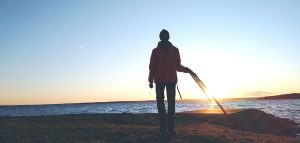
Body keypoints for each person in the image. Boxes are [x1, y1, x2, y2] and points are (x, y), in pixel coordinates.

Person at [148, 29, 193, 134]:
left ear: (168, 37)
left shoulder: (175, 50)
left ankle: (171, 128)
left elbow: (177, 66)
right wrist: (150, 80)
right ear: (160, 37)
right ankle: (163, 127)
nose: (164, 37)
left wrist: (187, 69)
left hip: (172, 81)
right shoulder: (155, 51)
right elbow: (152, 67)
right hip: (159, 81)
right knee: (160, 104)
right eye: (162, 35)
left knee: (171, 104)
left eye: (166, 35)